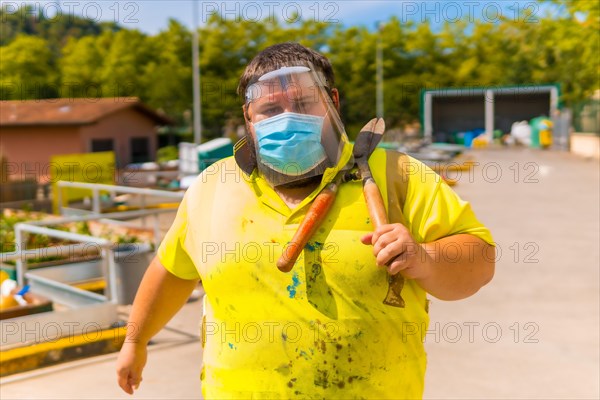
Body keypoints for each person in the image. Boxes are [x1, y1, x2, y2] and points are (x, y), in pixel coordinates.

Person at [116, 42, 495, 399]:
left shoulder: (398, 175)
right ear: (249, 118)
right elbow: (173, 270)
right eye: (269, 110)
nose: (286, 118)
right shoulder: (212, 185)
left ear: (332, 101)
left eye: (301, 102)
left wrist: (424, 258)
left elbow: (480, 262)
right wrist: (135, 341)